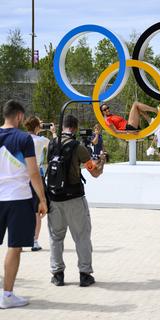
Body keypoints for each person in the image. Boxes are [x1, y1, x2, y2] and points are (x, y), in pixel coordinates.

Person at [47, 115, 106, 287]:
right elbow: (94, 172)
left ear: (63, 126)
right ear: (75, 127)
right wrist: (102, 160)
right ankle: (85, 274)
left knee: (56, 237)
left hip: (54, 198)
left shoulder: (52, 143)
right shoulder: (78, 147)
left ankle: (57, 275)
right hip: (74, 198)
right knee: (81, 236)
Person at [0, 100, 47, 309]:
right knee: (14, 247)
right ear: (19, 116)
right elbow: (33, 172)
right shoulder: (23, 139)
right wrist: (43, 200)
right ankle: (7, 295)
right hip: (18, 199)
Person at [24, 116, 56, 251]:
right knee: (37, 210)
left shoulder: (21, 138)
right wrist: (53, 131)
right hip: (36, 175)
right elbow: (55, 144)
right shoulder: (41, 140)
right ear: (38, 126)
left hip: (21, 176)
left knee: (22, 210)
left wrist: (37, 127)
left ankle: (19, 241)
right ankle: (34, 241)